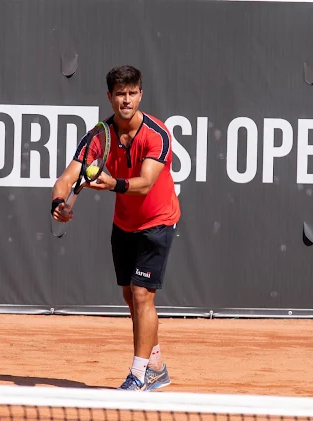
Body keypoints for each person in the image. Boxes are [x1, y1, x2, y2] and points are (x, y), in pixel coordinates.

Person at [51, 65, 181, 391]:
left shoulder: (157, 133)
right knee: (128, 295)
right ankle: (156, 366)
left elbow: (145, 183)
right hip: (124, 223)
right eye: (120, 94)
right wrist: (58, 203)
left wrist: (111, 184)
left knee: (142, 295)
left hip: (158, 221)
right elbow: (68, 178)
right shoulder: (99, 136)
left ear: (141, 94)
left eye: (132, 93)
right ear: (109, 97)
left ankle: (138, 375)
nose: (126, 100)